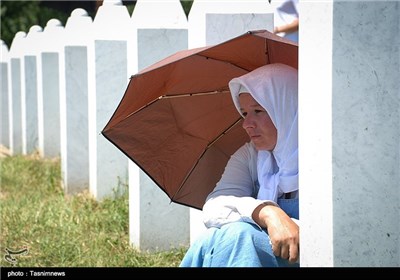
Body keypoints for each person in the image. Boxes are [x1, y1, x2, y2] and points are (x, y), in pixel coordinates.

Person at [179, 63, 299, 267]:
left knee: (240, 236)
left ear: (287, 108)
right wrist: (268, 212)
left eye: (258, 111)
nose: (247, 123)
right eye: (244, 113)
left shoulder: (325, 160)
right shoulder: (252, 154)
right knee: (208, 242)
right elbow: (214, 206)